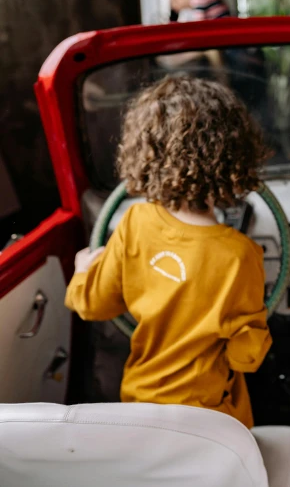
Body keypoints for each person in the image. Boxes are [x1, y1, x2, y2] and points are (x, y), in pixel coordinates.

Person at [64, 75, 272, 429]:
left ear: (145, 152)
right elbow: (246, 357)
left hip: (142, 408)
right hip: (212, 417)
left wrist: (84, 270)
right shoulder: (240, 254)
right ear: (235, 157)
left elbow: (94, 304)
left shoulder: (134, 224)